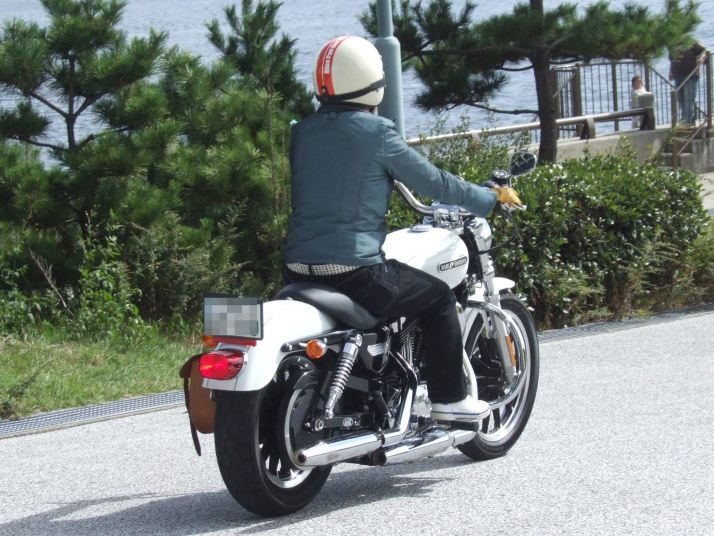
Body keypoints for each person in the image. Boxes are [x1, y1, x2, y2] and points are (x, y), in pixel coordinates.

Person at [282, 35, 522, 423]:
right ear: (373, 81)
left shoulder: (303, 132)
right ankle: (449, 399)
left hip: (297, 269)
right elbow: (435, 182)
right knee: (438, 297)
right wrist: (488, 199)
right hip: (353, 272)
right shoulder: (377, 134)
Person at [669, 41, 707, 125]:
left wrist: (701, 58)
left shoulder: (690, 41)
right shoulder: (672, 42)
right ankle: (687, 118)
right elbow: (672, 60)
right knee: (680, 99)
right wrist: (671, 72)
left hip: (690, 75)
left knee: (688, 99)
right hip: (677, 76)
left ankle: (687, 121)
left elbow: (703, 51)